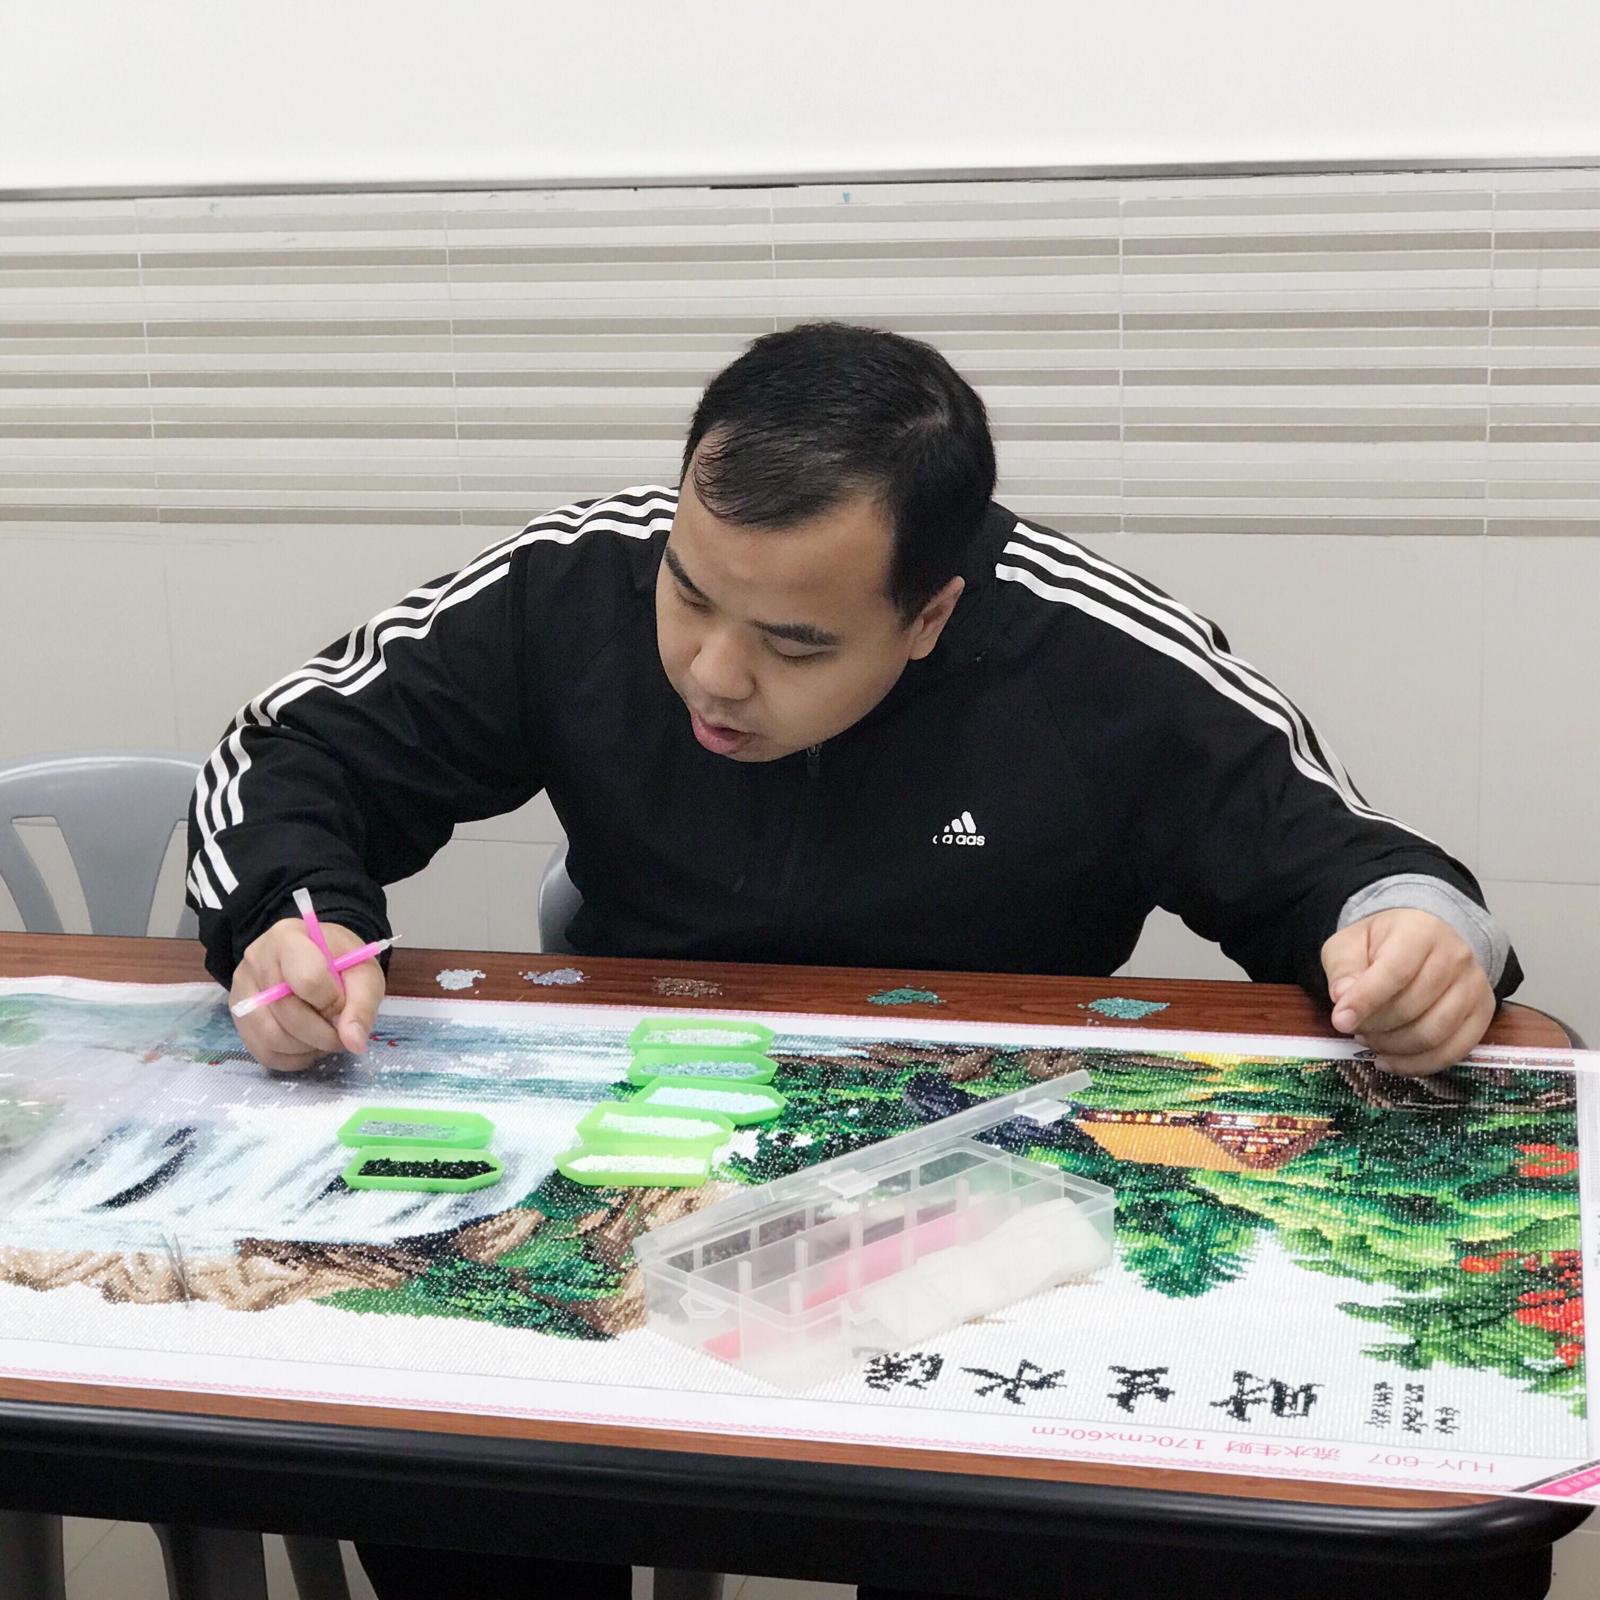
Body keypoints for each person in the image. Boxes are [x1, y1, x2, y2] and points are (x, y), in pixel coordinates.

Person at [186, 322, 1516, 1598]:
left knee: (993, 1533)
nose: (712, 672)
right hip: (641, 1144)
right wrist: (294, 920)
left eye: (795, 643)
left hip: (972, 1184)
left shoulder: (1093, 661)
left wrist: (1415, 944)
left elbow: (1350, 866)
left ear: (930, 614)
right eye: (690, 594)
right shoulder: (572, 584)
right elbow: (293, 750)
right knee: (462, 1470)